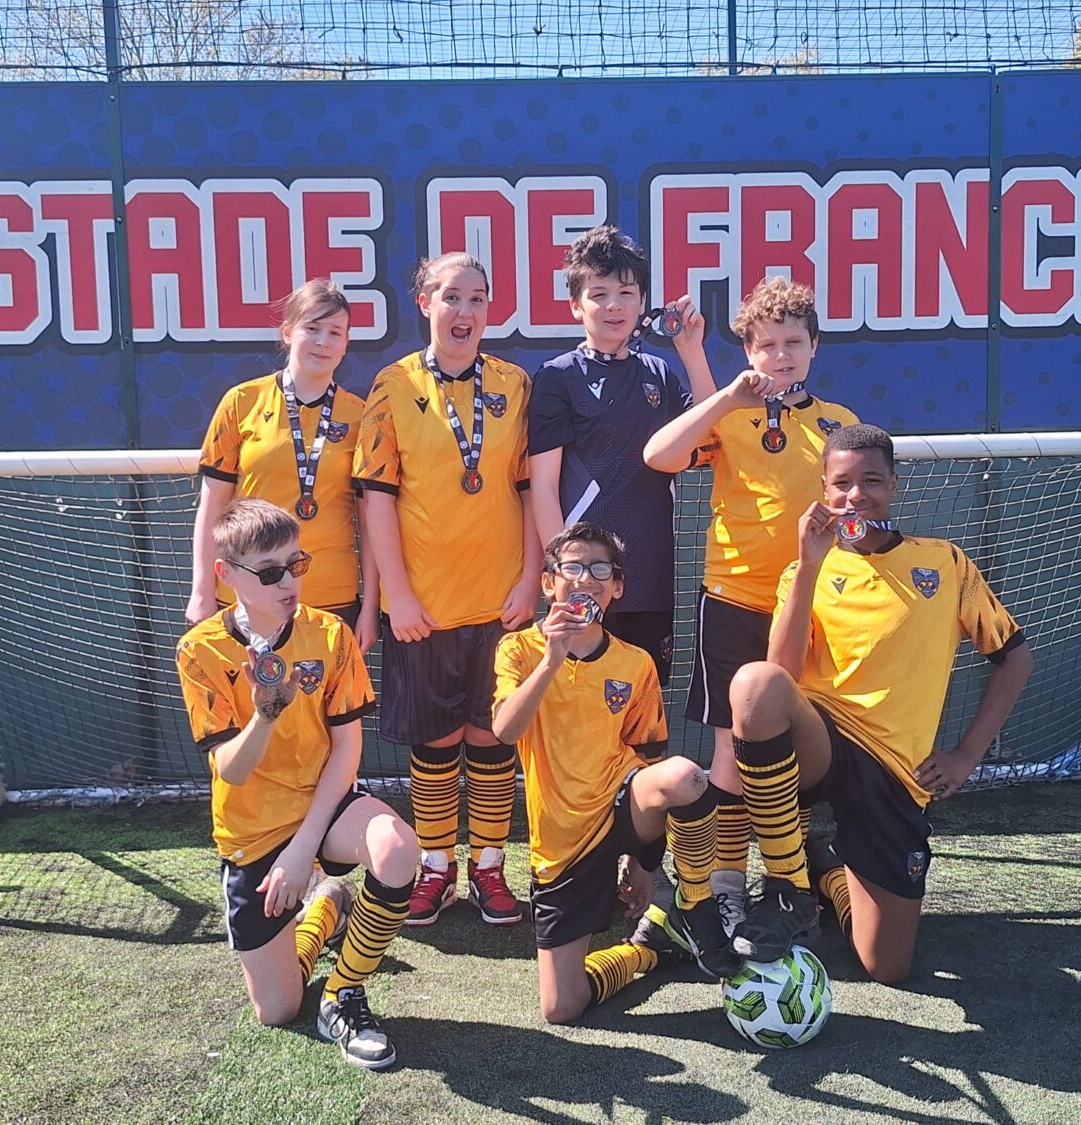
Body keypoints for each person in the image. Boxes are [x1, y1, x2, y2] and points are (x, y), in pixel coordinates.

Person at [728, 424, 1032, 978]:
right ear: (824, 490)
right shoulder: (803, 570)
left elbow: (1015, 659)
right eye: (842, 483)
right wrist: (810, 564)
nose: (855, 495)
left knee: (886, 966)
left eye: (870, 480)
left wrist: (965, 756)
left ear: (893, 484)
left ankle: (828, 871)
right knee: (754, 684)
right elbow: (780, 676)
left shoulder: (944, 562)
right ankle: (787, 887)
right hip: (822, 741)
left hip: (895, 772)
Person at [643, 276, 857, 939]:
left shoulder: (839, 422)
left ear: (815, 346)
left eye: (793, 342)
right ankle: (727, 889)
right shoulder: (730, 414)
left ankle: (793, 882)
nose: (781, 355)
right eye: (766, 345)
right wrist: (723, 393)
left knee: (798, 750)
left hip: (814, 607)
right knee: (731, 754)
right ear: (748, 351)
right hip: (733, 602)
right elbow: (659, 455)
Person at [175, 498, 418, 1068]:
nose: (288, 582)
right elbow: (232, 770)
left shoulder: (329, 634)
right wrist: (265, 715)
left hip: (323, 809)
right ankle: (327, 908)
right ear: (226, 574)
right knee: (278, 1010)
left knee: (398, 848)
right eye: (269, 572)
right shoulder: (199, 650)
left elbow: (347, 750)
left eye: (295, 564)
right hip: (253, 829)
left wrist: (303, 850)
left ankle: (343, 993)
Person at [352, 252, 541, 927]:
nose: (465, 312)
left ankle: (488, 866)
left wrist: (531, 579)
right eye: (452, 297)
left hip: (503, 603)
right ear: (425, 302)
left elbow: (533, 490)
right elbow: (375, 499)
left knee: (492, 740)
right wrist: (397, 596)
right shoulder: (393, 384)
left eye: (478, 298)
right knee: (434, 745)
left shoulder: (515, 384)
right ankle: (436, 867)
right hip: (423, 609)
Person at [493, 523, 741, 1022]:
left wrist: (643, 862)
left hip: (622, 798)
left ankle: (696, 904)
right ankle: (648, 948)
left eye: (600, 569)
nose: (586, 578)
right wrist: (551, 660)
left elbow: (649, 758)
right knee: (561, 1007)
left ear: (618, 587)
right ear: (548, 582)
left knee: (685, 777)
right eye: (572, 567)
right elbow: (504, 730)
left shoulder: (636, 663)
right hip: (563, 840)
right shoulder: (518, 650)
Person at [527, 225, 714, 687]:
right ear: (576, 305)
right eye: (599, 294)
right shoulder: (557, 377)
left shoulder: (660, 374)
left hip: (649, 574)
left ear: (643, 301)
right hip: (585, 580)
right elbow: (543, 487)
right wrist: (563, 571)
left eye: (626, 293)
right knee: (578, 701)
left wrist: (692, 353)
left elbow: (712, 433)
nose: (614, 305)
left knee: (643, 702)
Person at [188, 279, 377, 652]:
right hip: (248, 592)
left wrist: (370, 606)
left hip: (330, 600)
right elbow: (212, 505)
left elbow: (371, 524)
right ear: (288, 332)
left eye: (335, 332)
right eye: (312, 328)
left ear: (346, 343)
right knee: (250, 691)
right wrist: (202, 591)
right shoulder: (241, 401)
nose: (323, 341)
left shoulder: (362, 416)